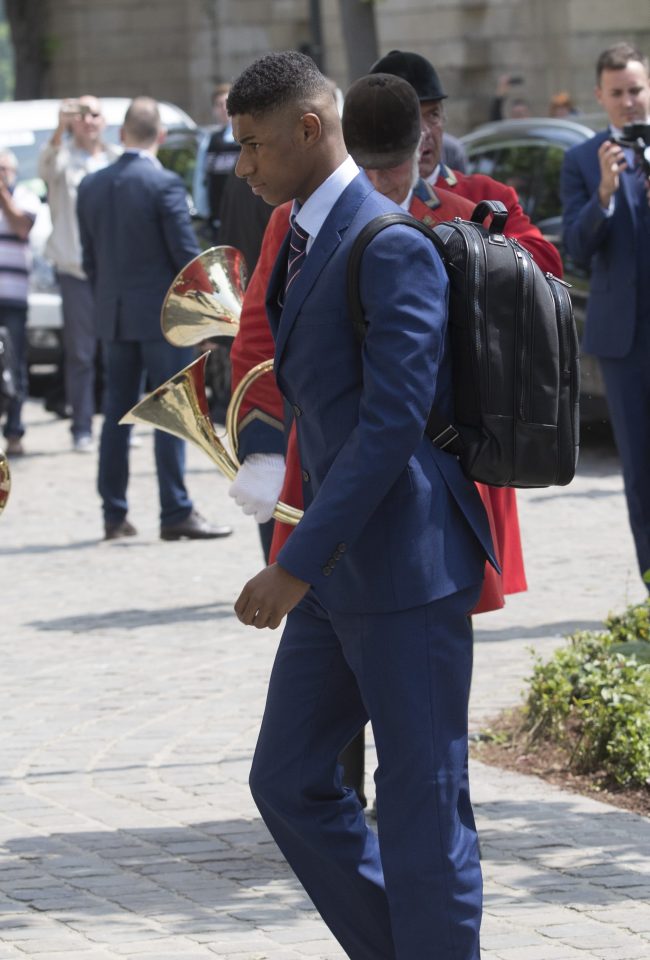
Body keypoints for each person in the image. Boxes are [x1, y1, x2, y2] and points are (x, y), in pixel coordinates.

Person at [229, 51, 496, 958]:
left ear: (310, 129)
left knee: (424, 807)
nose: (243, 165)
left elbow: (390, 430)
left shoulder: (390, 242)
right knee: (289, 779)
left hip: (407, 571)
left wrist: (292, 563)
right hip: (339, 570)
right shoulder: (299, 233)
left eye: (254, 145)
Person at [77, 96, 233, 543]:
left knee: (114, 417)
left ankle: (113, 513)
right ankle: (175, 510)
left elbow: (90, 260)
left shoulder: (90, 186)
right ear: (160, 137)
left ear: (122, 133)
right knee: (175, 414)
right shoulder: (164, 184)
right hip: (163, 318)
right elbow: (187, 261)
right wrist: (206, 320)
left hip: (114, 316)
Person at [561, 42, 650, 588]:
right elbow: (575, 247)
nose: (629, 102)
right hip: (624, 343)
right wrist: (605, 193)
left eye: (636, 90)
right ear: (600, 97)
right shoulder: (581, 159)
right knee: (639, 471)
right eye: (617, 93)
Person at [370, 49, 564, 278]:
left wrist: (477, 249)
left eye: (433, 115)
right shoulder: (358, 196)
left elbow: (548, 264)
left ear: (444, 120)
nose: (424, 132)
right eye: (409, 118)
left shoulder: (486, 194)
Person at [38, 95, 121, 452]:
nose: (88, 120)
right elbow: (46, 168)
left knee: (117, 351)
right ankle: (82, 427)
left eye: (94, 114)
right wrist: (59, 127)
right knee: (82, 353)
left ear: (104, 121)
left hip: (113, 270)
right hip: (75, 271)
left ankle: (119, 427)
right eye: (81, 115)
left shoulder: (115, 158)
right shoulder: (62, 157)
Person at [0, 150, 40, 457]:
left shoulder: (25, 196)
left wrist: (3, 194)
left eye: (4, 169)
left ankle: (14, 431)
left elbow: (21, 227)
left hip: (13, 297)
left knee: (14, 365)